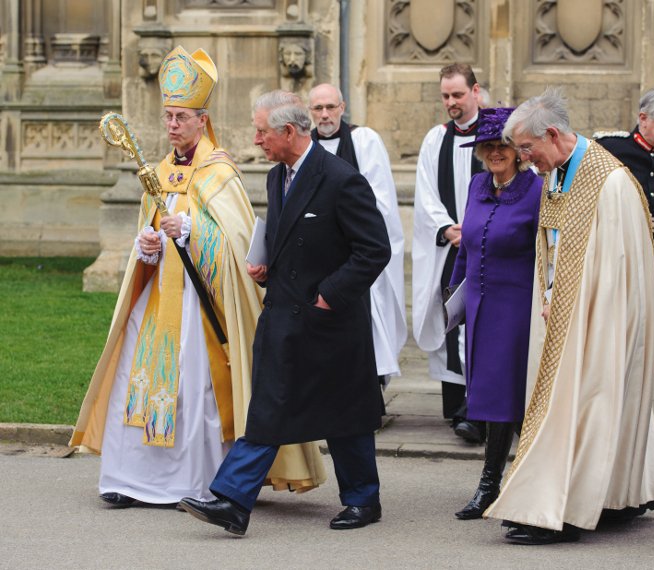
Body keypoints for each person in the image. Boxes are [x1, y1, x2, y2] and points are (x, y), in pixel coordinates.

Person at [69, 47, 324, 507]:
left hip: (199, 305)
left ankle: (193, 483)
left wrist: (191, 232)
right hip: (157, 300)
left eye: (181, 117)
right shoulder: (158, 173)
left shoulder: (220, 173)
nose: (172, 125)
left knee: (194, 390)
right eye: (167, 116)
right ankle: (130, 479)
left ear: (202, 121)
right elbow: (148, 231)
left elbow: (237, 246)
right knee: (138, 381)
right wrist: (146, 246)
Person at [180, 90, 391, 535]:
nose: (256, 140)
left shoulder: (341, 179)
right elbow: (288, 241)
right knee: (268, 408)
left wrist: (328, 296)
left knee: (346, 415)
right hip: (283, 318)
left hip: (330, 322)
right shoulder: (277, 177)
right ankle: (233, 501)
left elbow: (374, 249)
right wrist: (266, 268)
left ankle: (363, 500)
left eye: (262, 132)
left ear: (289, 132)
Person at [483, 88, 654, 545]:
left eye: (527, 148)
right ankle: (597, 497)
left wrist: (577, 307)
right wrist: (550, 293)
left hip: (599, 318)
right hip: (558, 311)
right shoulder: (556, 173)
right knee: (565, 405)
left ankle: (562, 511)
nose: (524, 158)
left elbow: (619, 270)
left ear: (552, 134)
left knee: (586, 404)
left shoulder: (610, 182)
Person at [448, 107, 542, 520]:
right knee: (489, 397)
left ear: (518, 149)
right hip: (479, 307)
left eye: (502, 145)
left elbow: (548, 253)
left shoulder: (536, 190)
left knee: (508, 397)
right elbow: (467, 246)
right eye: (486, 146)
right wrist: (453, 295)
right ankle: (520, 481)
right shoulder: (477, 185)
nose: (494, 153)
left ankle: (495, 485)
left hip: (517, 308)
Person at [308, 83, 406, 387]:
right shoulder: (306, 146)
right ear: (310, 112)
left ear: (342, 107)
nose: (325, 115)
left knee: (368, 326)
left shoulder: (365, 141)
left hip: (359, 252)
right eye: (318, 108)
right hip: (321, 257)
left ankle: (371, 387)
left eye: (330, 107)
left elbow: (381, 199)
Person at [412, 62, 485, 443]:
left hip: (488, 245)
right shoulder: (435, 139)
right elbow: (424, 191)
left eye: (458, 94)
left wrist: (476, 228)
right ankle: (458, 404)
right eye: (445, 96)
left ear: (475, 91)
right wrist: (446, 227)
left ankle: (480, 405)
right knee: (451, 317)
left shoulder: (495, 135)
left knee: (483, 323)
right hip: (452, 246)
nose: (451, 102)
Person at [596, 89, 654, 329]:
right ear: (643, 118)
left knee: (650, 320)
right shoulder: (610, 148)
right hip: (619, 246)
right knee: (616, 318)